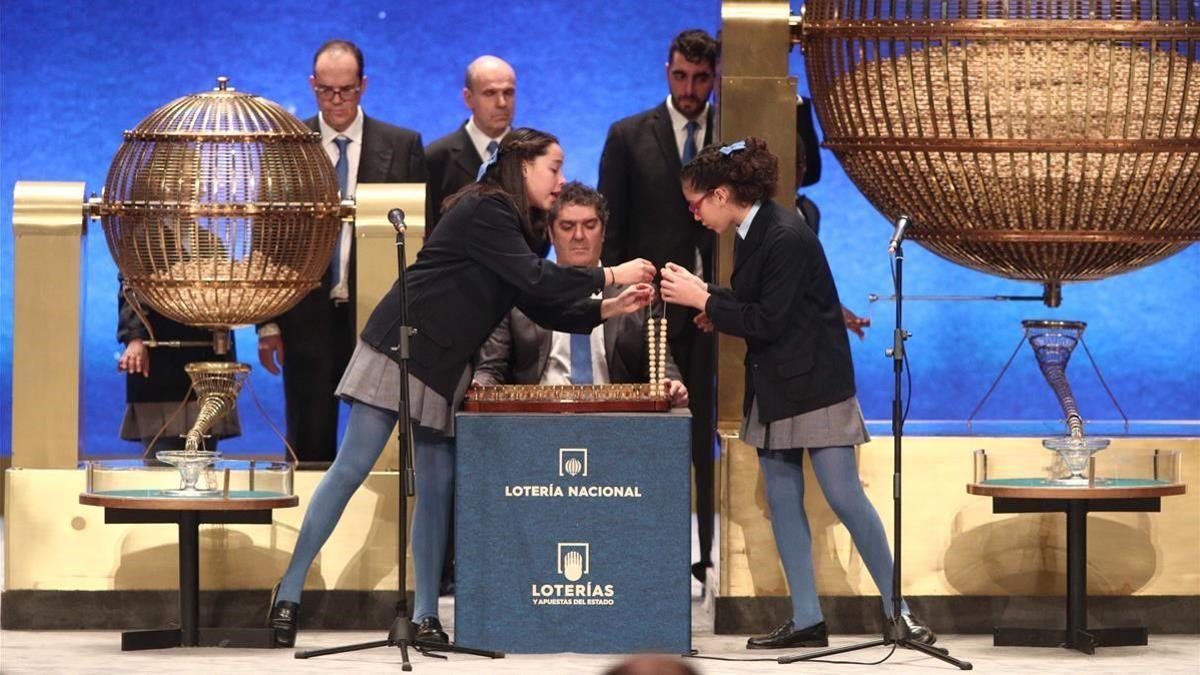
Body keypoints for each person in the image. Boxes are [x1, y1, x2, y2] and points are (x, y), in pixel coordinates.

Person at [267, 128, 657, 647]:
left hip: (446, 362)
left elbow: (534, 300)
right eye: (554, 168)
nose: (561, 181)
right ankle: (289, 591)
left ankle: (427, 614)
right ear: (523, 167)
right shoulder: (486, 210)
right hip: (401, 344)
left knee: (437, 485)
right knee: (353, 466)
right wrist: (610, 275)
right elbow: (538, 280)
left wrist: (606, 309)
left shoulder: (518, 225)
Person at [660, 137, 935, 649]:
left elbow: (769, 319)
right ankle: (807, 619)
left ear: (720, 194)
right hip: (776, 386)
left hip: (814, 386)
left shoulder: (786, 233)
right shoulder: (751, 231)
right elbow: (755, 304)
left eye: (696, 204)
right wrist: (713, 302)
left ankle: (901, 612)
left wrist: (705, 298)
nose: (694, 215)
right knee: (784, 504)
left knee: (846, 498)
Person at [257, 39, 428, 463]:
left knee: (377, 443)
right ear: (313, 85)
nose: (336, 101)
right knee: (308, 438)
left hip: (379, 316)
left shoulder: (402, 145)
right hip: (304, 316)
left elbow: (424, 239)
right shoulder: (288, 146)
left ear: (364, 85)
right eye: (326, 91)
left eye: (346, 90)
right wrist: (266, 323)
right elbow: (267, 239)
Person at [597, 28, 719, 586]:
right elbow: (613, 228)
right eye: (680, 76)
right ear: (666, 72)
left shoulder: (733, 135)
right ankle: (651, 554)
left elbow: (799, 174)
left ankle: (708, 555)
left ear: (714, 77)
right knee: (654, 428)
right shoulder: (627, 136)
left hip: (719, 308)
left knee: (710, 432)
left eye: (699, 78)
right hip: (650, 308)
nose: (689, 88)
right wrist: (618, 304)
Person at [475, 181, 688, 409]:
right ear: (550, 232)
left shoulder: (637, 293)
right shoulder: (520, 292)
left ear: (604, 231)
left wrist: (672, 384)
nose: (579, 236)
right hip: (538, 421)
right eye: (567, 226)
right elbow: (491, 368)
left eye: (589, 225)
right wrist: (480, 384)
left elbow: (661, 366)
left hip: (616, 422)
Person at [117, 279, 241, 451]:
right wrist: (135, 338)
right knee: (161, 468)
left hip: (210, 360)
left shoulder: (219, 250)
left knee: (204, 466)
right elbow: (130, 284)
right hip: (160, 365)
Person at [424, 55, 516, 238]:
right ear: (468, 98)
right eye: (490, 93)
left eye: (508, 92)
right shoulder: (436, 157)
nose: (502, 103)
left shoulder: (532, 154)